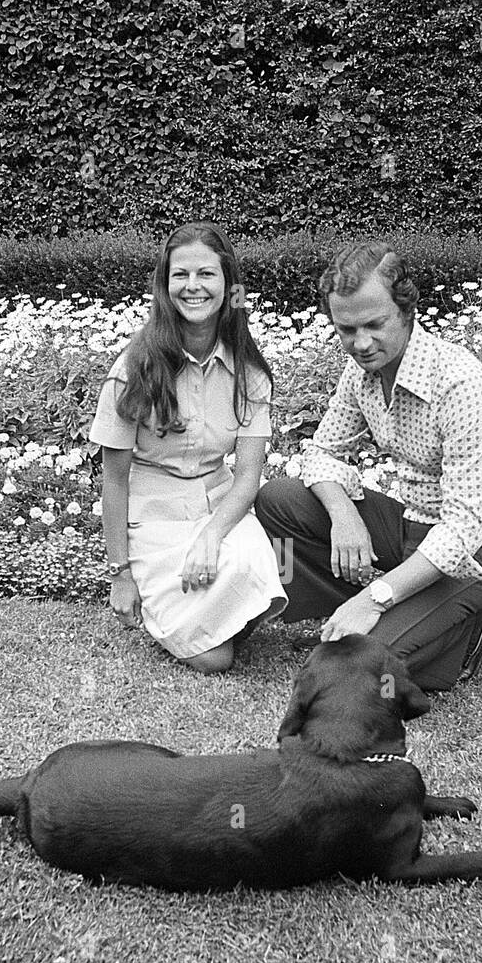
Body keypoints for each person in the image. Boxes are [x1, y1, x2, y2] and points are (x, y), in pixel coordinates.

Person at [254, 241, 482, 692]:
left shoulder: (462, 386)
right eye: (346, 329)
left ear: (406, 310)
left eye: (374, 325)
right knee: (277, 501)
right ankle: (292, 599)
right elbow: (321, 453)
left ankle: (463, 633)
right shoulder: (361, 371)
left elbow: (462, 531)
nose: (360, 343)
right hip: (411, 527)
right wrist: (344, 518)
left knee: (356, 672)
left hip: (480, 548)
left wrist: (376, 597)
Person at [88, 221, 287, 673]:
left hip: (218, 510)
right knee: (215, 660)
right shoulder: (133, 369)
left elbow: (248, 478)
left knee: (255, 563)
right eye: (180, 275)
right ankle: (189, 617)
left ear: (227, 286)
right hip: (155, 520)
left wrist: (212, 535)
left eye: (206, 274)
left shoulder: (250, 374)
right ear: (165, 285)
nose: (192, 287)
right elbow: (114, 483)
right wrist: (120, 576)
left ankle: (215, 605)